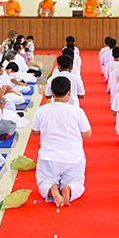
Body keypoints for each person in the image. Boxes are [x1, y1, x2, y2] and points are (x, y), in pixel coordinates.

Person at [32, 77, 92, 206]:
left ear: (52, 92)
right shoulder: (77, 111)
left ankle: (52, 189)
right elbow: (87, 134)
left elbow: (35, 131)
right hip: (73, 157)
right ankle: (69, 189)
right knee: (77, 183)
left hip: (48, 157)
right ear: (69, 93)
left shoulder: (42, 109)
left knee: (43, 183)